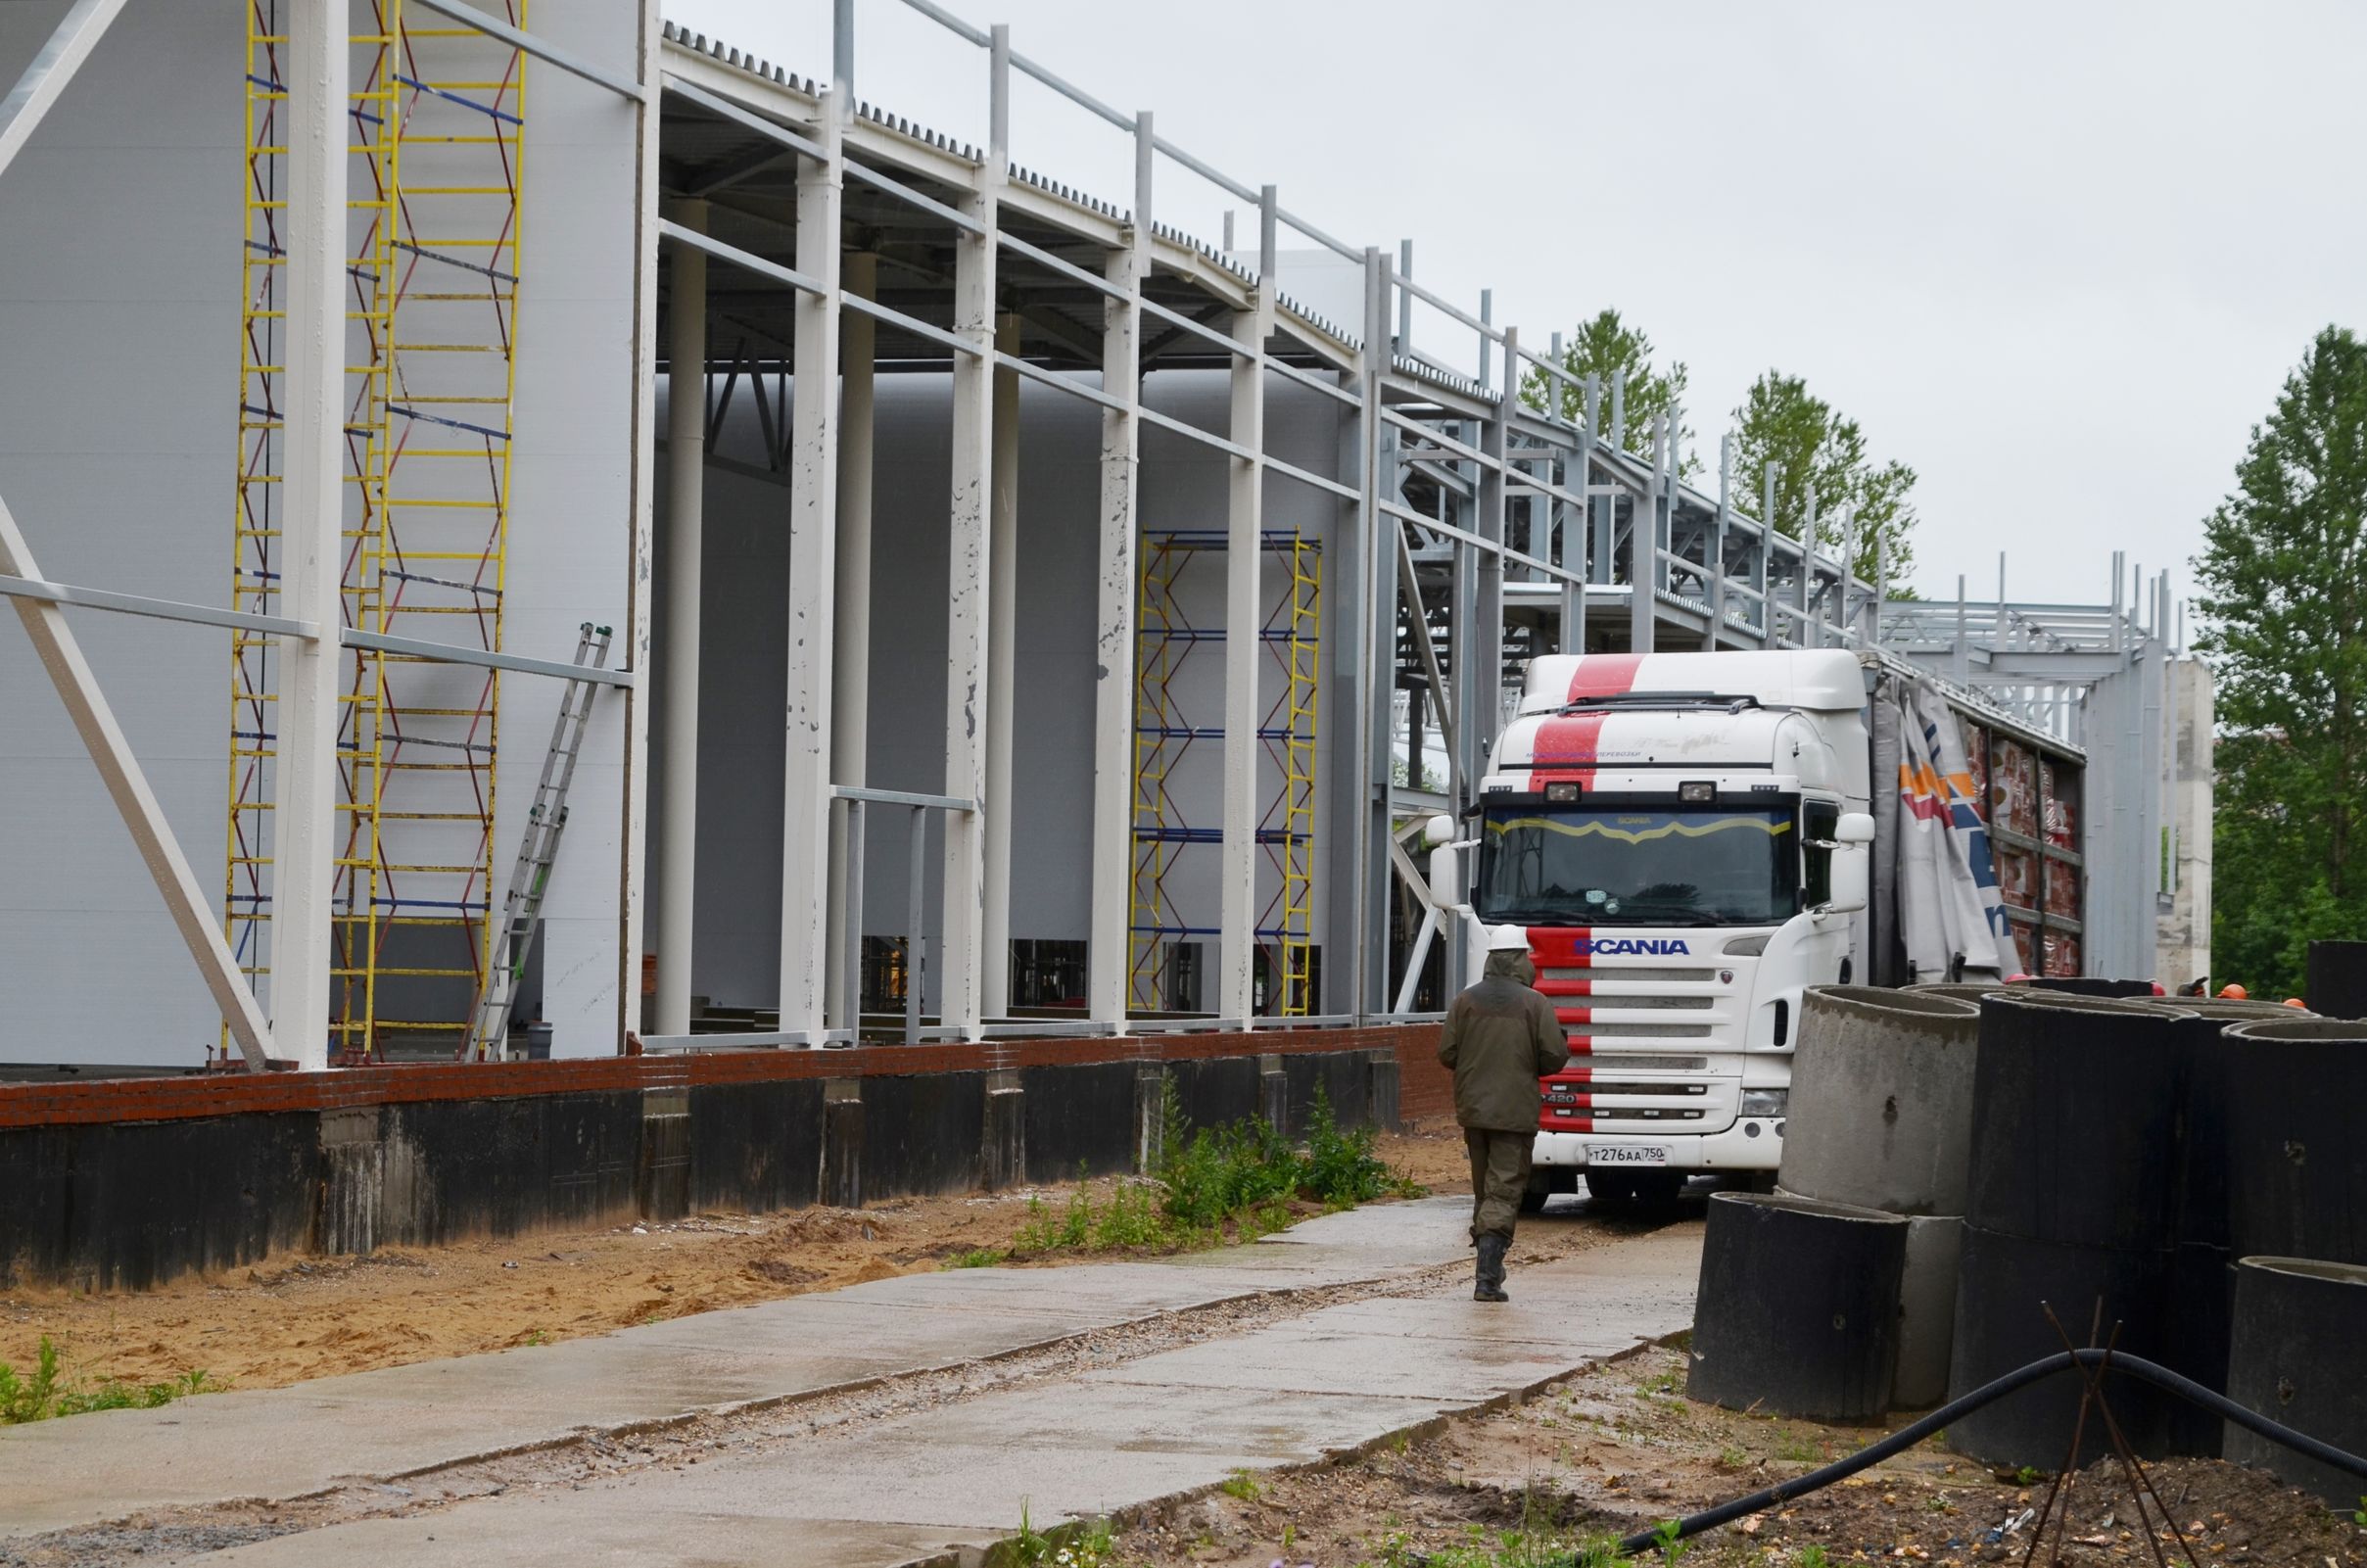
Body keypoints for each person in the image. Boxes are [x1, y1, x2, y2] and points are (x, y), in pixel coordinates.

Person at [1437, 925, 1570, 1303]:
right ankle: (1487, 1279)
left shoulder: (1465, 1001)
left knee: (1485, 1190)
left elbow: (1446, 1054)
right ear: (1520, 960)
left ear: (1491, 959)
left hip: (1474, 1112)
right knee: (1503, 1190)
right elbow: (1553, 1058)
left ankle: (1488, 1265)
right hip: (1514, 1114)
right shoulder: (1535, 1003)